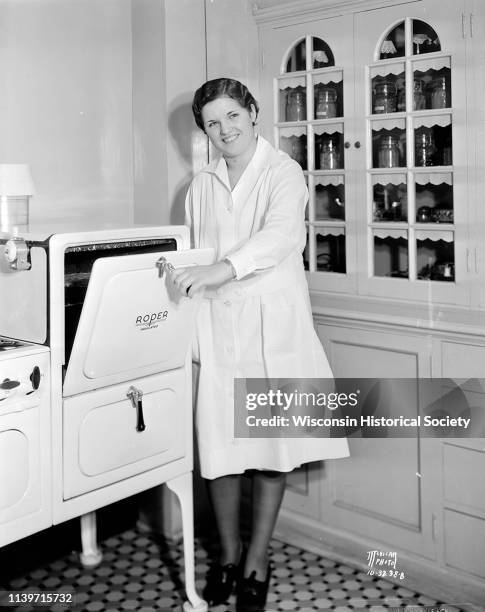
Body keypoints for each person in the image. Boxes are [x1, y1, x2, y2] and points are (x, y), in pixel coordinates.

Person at [170, 78, 349, 612]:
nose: (224, 130)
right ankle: (226, 555)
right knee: (221, 452)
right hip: (219, 330)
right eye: (211, 123)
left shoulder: (283, 172)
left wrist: (223, 268)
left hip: (274, 330)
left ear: (252, 111)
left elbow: (280, 239)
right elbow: (191, 249)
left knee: (272, 453)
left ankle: (256, 561)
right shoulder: (200, 185)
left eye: (231, 116)